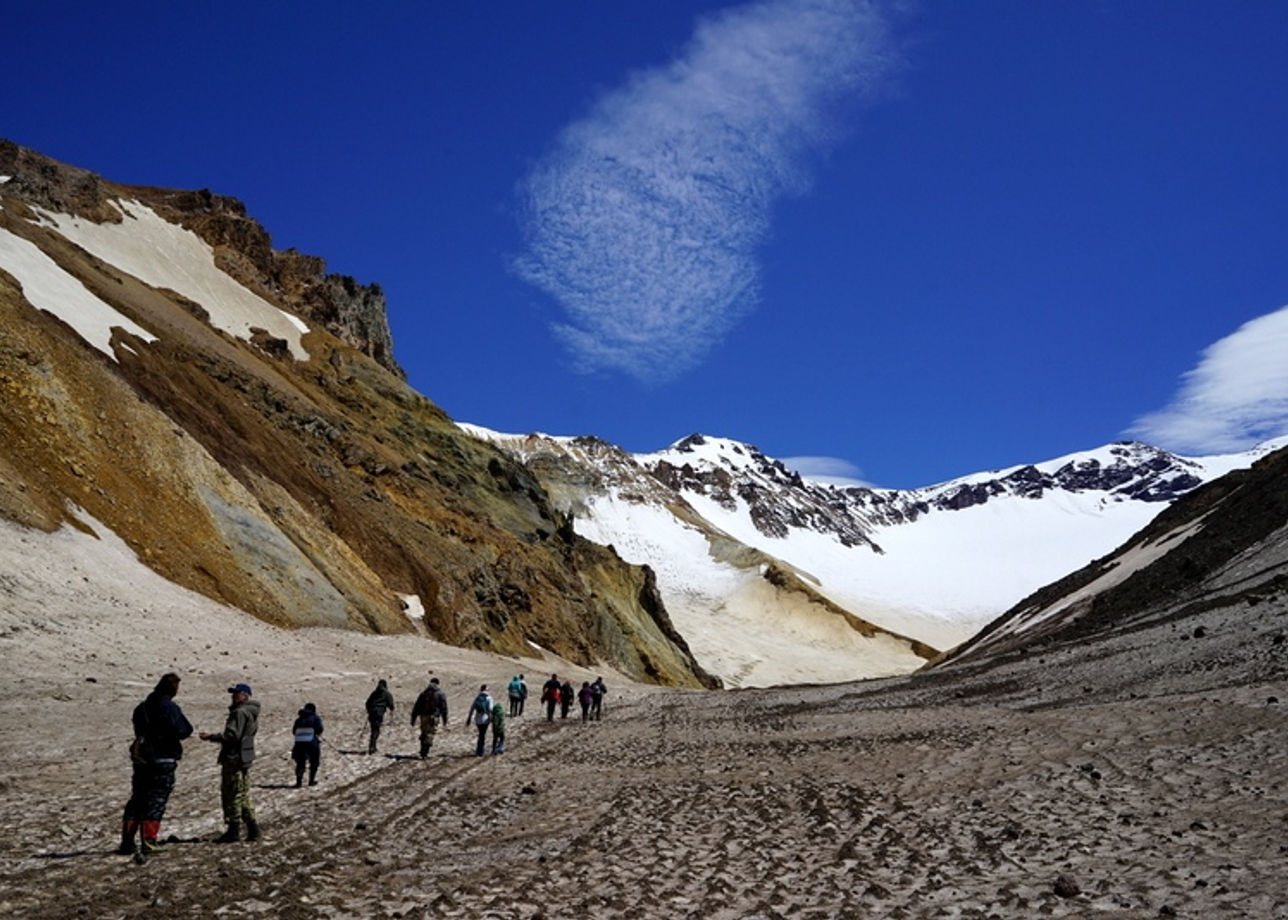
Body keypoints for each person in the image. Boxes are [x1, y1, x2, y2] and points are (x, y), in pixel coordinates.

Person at [118, 672, 193, 856]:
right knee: (156, 800)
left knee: (137, 799)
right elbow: (185, 730)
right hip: (163, 759)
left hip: (142, 760)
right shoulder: (169, 708)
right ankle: (149, 841)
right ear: (172, 689)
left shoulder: (141, 708)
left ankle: (127, 842)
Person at [199, 682, 261, 843]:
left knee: (232, 793)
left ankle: (233, 830)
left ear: (245, 696)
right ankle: (253, 828)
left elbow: (232, 736)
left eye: (237, 693)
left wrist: (212, 737)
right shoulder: (251, 712)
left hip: (233, 758)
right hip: (244, 757)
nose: (233, 697)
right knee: (243, 794)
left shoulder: (239, 713)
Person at [410, 677, 448, 758]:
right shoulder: (441, 693)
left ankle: (422, 750)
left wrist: (413, 718)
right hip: (433, 717)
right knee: (430, 734)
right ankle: (425, 752)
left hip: (423, 716)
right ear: (438, 683)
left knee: (424, 733)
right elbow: (444, 707)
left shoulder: (424, 693)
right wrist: (445, 719)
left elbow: (417, 706)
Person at [291, 702, 323, 787]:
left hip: (299, 744)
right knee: (314, 762)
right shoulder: (316, 718)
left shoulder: (298, 719)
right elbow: (319, 729)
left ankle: (299, 782)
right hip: (312, 743)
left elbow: (294, 731)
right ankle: (311, 780)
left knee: (300, 763)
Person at [365, 679, 395, 755]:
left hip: (372, 713)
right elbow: (390, 703)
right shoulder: (387, 693)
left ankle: (372, 746)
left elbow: (368, 703)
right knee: (376, 730)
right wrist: (391, 708)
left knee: (373, 729)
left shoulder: (374, 693)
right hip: (379, 713)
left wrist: (369, 711)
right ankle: (372, 747)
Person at [465, 685, 493, 756]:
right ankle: (481, 751)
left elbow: (472, 709)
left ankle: (479, 750)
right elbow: (490, 709)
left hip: (478, 719)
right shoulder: (489, 698)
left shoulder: (477, 698)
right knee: (482, 734)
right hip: (485, 719)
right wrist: (492, 718)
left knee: (481, 734)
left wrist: (469, 718)